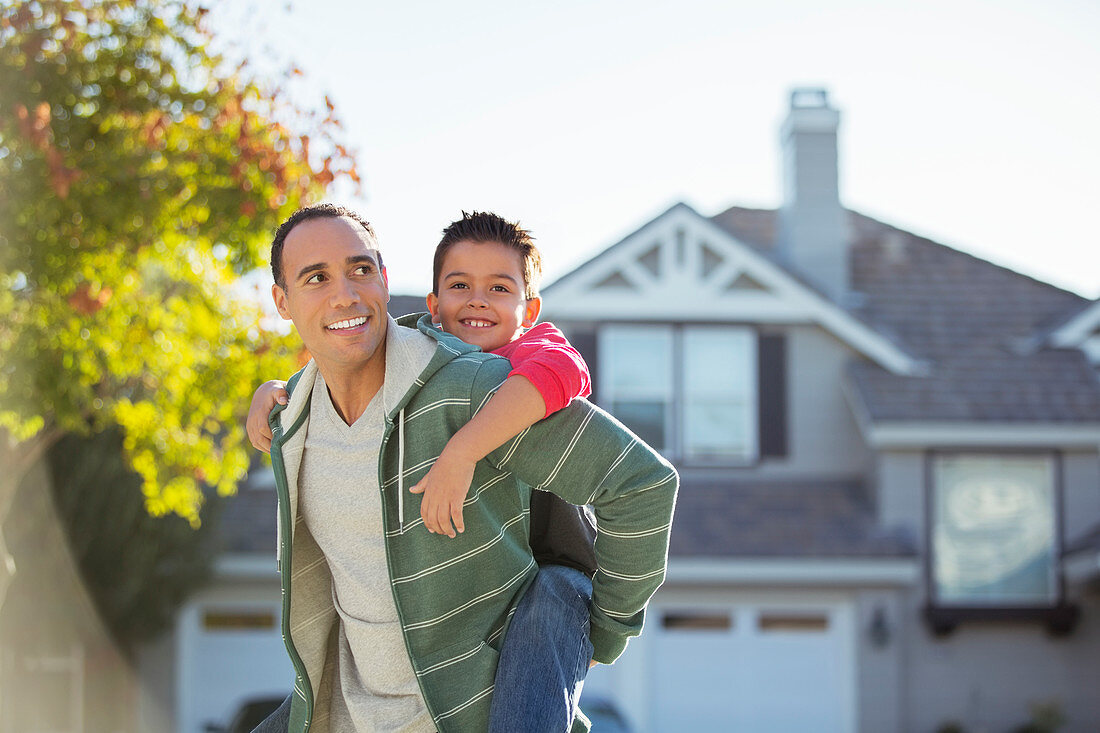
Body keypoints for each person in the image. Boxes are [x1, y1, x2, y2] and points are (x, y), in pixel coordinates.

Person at [254, 203, 677, 733]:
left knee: (556, 593)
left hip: (474, 707)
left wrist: (607, 630)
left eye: (360, 269)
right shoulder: (293, 418)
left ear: (385, 280)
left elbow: (643, 484)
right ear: (282, 301)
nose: (345, 293)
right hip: (345, 714)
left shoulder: (477, 388)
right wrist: (272, 397)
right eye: (316, 277)